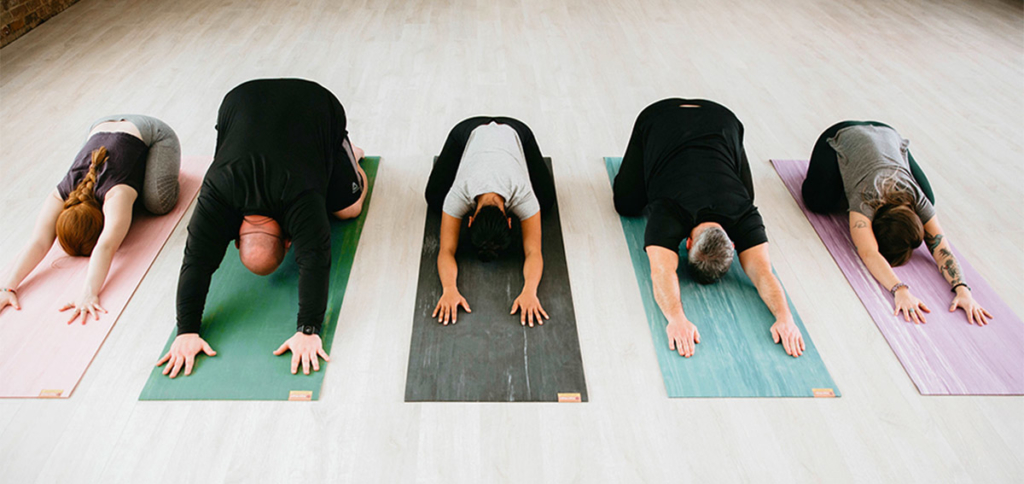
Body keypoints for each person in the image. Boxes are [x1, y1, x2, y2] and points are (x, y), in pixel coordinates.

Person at [156, 79, 367, 379]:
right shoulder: (216, 192)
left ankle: (350, 155)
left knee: (349, 208)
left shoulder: (300, 199)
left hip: (317, 104)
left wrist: (309, 329)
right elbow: (195, 263)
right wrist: (185, 330)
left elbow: (315, 261)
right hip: (240, 99)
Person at [613, 98, 805, 358]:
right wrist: (675, 319)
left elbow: (762, 273)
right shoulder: (667, 212)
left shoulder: (744, 214)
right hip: (659, 118)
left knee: (746, 193)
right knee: (626, 204)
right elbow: (661, 271)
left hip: (722, 118)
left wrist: (786, 317)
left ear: (733, 243)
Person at [802, 121, 992, 326]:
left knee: (931, 199)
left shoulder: (918, 199)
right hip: (842, 135)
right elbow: (869, 252)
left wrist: (963, 290)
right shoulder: (866, 197)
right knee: (818, 203)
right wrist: (899, 289)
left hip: (887, 133)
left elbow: (940, 246)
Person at [0, 115, 181, 323]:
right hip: (100, 126)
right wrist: (7, 287)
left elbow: (105, 246)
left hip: (151, 131)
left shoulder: (115, 194)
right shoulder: (61, 193)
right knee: (128, 200)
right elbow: (39, 241)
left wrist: (89, 292)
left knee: (158, 203)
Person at [424, 116, 556, 328]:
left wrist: (530, 291)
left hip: (515, 133)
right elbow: (445, 251)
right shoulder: (458, 194)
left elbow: (534, 252)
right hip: (468, 133)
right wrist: (448, 288)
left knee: (546, 202)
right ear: (469, 220)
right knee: (434, 199)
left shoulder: (524, 196)